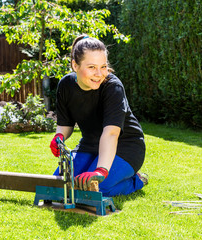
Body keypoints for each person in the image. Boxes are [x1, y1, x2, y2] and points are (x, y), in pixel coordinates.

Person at [49, 35, 147, 197]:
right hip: (90, 145)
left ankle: (136, 180)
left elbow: (111, 133)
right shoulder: (65, 85)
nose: (99, 74)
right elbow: (66, 123)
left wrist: (101, 171)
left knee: (97, 189)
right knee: (60, 185)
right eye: (92, 67)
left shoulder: (113, 88)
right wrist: (59, 136)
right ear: (75, 65)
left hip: (125, 147)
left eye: (103, 66)